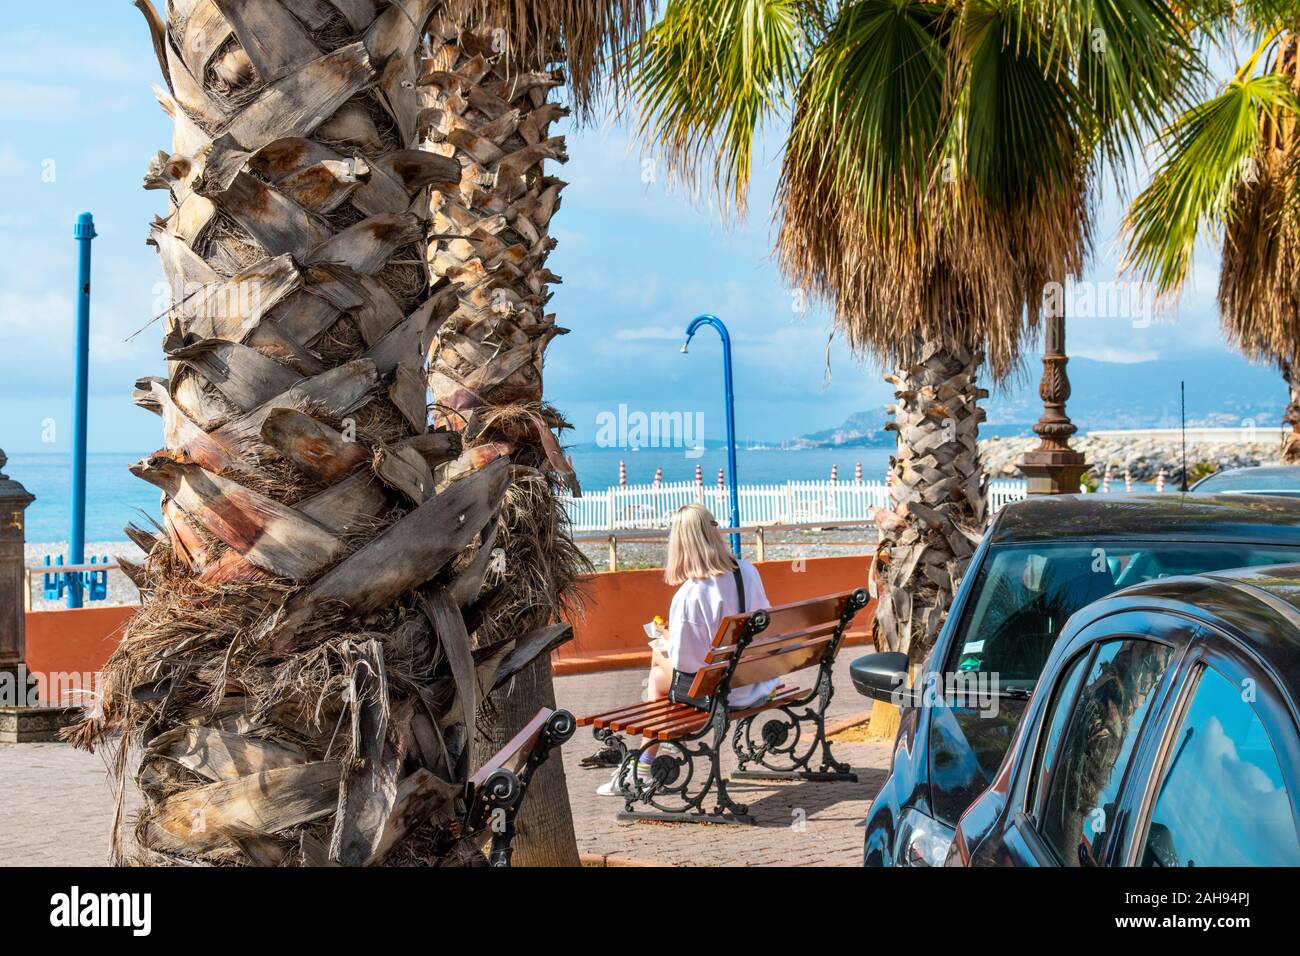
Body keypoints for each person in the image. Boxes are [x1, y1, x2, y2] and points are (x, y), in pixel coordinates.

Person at [596, 503, 778, 795]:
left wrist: (664, 642)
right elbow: (764, 622)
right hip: (756, 681)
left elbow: (687, 664)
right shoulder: (746, 571)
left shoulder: (690, 594)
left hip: (723, 692)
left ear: (680, 542)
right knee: (660, 670)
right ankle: (644, 763)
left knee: (657, 677)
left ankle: (641, 768)